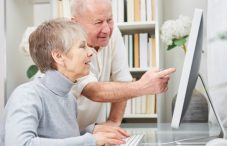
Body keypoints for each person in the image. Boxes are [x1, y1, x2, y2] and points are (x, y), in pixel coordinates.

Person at [0, 18, 128, 146]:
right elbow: (19, 143)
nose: (91, 53)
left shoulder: (69, 98)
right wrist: (90, 140)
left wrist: (89, 131)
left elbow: (57, 137)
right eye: (83, 46)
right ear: (59, 56)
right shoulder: (27, 95)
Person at [70, 0, 176, 130]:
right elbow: (93, 91)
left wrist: (113, 122)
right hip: (64, 135)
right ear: (75, 23)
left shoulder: (113, 35)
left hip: (92, 133)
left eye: (109, 20)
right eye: (98, 22)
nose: (107, 29)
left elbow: (122, 81)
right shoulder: (66, 45)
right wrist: (142, 86)